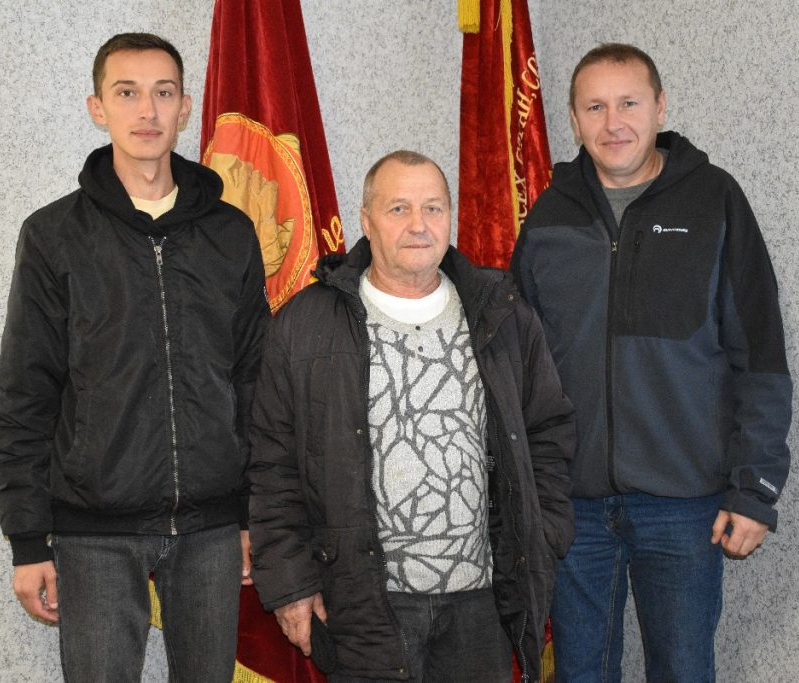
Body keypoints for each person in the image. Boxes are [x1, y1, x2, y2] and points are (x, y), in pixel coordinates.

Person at [0, 32, 268, 681]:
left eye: (163, 93)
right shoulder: (54, 235)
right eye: (127, 92)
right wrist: (28, 540)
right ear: (98, 108)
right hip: (93, 533)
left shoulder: (230, 233)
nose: (147, 110)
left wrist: (255, 513)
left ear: (185, 107)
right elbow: (25, 394)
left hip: (211, 529)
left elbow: (256, 383)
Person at [510, 43, 793, 681]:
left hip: (684, 505)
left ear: (660, 107)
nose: (613, 123)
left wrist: (755, 489)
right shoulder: (550, 214)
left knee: (683, 671)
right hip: (574, 507)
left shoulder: (714, 200)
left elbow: (761, 358)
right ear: (574, 119)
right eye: (595, 107)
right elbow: (519, 362)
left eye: (629, 103)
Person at [247, 150, 576, 683]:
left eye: (433, 208)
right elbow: (273, 465)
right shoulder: (307, 324)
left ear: (451, 218)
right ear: (366, 219)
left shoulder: (503, 315)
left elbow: (548, 434)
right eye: (398, 208)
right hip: (363, 606)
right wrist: (290, 584)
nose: (419, 225)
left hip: (482, 606)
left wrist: (545, 536)